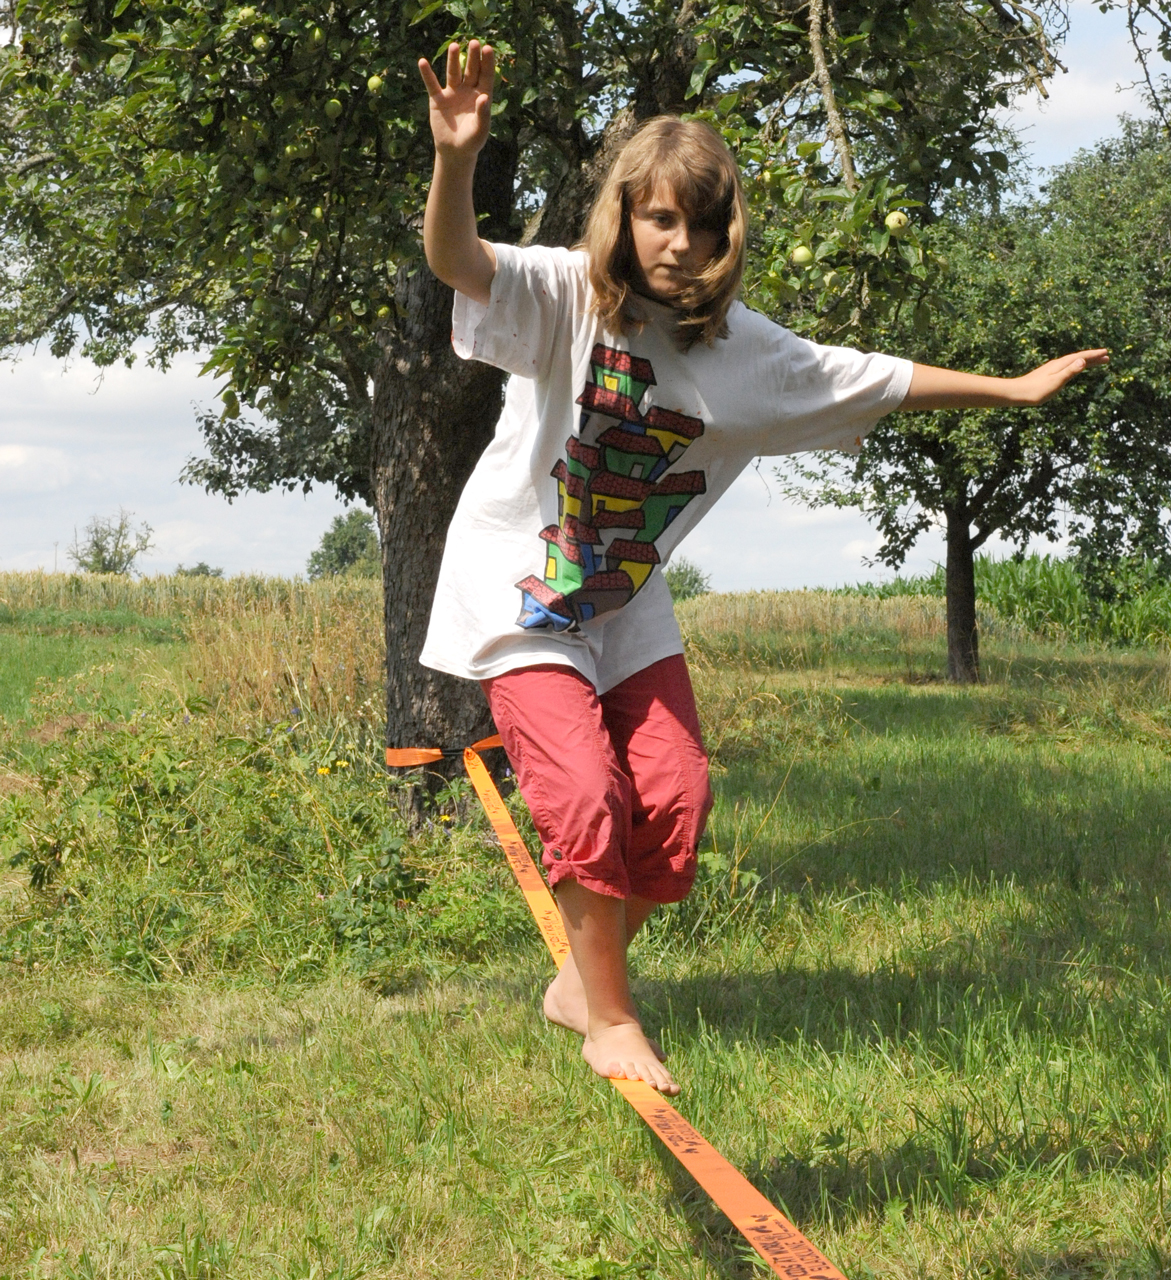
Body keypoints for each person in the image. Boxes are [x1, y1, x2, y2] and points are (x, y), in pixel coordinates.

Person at [417, 39, 1108, 1097]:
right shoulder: (564, 299)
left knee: (676, 812)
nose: (680, 244)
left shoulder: (747, 354)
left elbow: (874, 377)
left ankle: (576, 976)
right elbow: (460, 264)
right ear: (623, 219)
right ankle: (608, 1016)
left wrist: (1011, 389)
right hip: (521, 587)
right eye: (658, 218)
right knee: (587, 802)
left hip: (625, 602)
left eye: (702, 224)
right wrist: (456, 160)